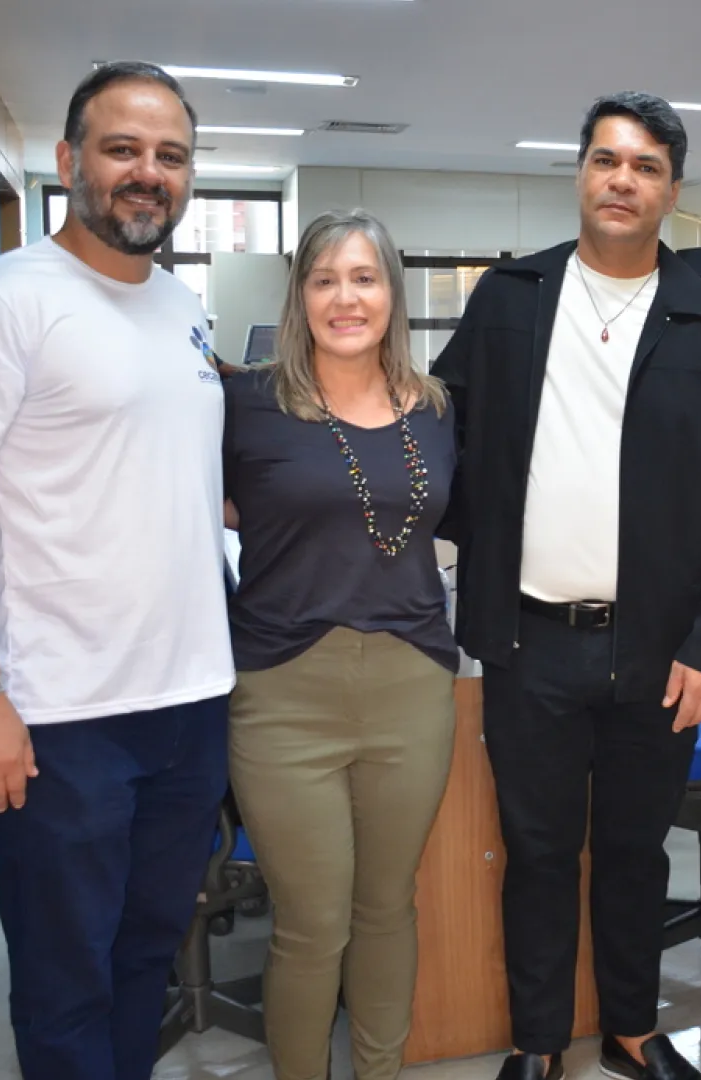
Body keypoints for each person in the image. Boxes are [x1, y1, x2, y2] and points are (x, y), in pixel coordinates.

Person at [0, 63, 232, 1080]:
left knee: (143, 957)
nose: (148, 172)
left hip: (189, 702)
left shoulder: (182, 308)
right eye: (123, 149)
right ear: (69, 159)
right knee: (64, 980)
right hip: (62, 715)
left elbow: (175, 474)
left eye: (170, 155)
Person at [432, 91, 701, 1080]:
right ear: (581, 172)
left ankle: (631, 1028)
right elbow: (445, 433)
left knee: (634, 852)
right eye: (606, 160)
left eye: (646, 166)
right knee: (537, 852)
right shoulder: (511, 297)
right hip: (528, 639)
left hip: (660, 653)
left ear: (673, 189)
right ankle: (538, 1041)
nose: (622, 180)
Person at [222, 210, 459, 1080]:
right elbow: (191, 507)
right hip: (283, 692)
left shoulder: (436, 409)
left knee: (387, 907)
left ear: (392, 292)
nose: (345, 298)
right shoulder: (248, 403)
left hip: (411, 686)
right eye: (324, 280)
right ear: (300, 296)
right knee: (312, 923)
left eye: (364, 278)